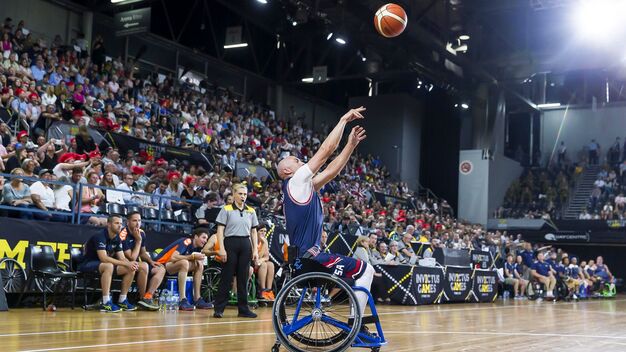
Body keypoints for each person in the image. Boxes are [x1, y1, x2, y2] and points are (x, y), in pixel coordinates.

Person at [276, 107, 375, 320]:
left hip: (305, 260)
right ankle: (355, 322)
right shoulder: (295, 181)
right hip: (310, 260)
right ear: (287, 171)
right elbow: (325, 152)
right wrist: (343, 119)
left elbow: (332, 171)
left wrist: (350, 145)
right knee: (366, 271)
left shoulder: (304, 187)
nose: (301, 161)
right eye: (296, 160)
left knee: (362, 270)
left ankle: (354, 322)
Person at [213, 183, 260, 319]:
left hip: (245, 243)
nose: (243, 196)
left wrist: (255, 250)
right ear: (233, 194)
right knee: (226, 277)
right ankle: (219, 309)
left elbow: (254, 231)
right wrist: (221, 248)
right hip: (230, 243)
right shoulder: (226, 209)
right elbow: (220, 230)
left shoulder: (251, 211)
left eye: (245, 194)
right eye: (240, 194)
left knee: (243, 278)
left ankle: (243, 309)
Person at [78, 215, 139, 312]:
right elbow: (103, 258)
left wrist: (130, 264)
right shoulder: (100, 236)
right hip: (87, 264)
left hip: (103, 266)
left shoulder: (117, 238)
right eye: (116, 223)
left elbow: (122, 257)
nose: (120, 226)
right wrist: (126, 263)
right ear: (109, 224)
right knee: (109, 266)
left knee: (131, 268)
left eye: (120, 223)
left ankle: (122, 300)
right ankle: (106, 302)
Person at [119, 211, 167, 310]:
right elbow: (131, 257)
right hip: (124, 264)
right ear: (127, 222)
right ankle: (142, 299)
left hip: (137, 264)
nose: (137, 223)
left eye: (139, 220)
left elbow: (142, 253)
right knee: (143, 266)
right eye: (134, 220)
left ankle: (148, 296)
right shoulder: (123, 234)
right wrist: (138, 241)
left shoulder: (141, 233)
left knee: (160, 269)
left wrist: (151, 261)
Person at [154, 228, 209, 310]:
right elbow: (173, 257)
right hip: (162, 265)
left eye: (206, 239)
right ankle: (182, 300)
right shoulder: (187, 241)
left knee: (199, 264)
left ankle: (197, 298)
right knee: (184, 263)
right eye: (203, 237)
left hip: (173, 267)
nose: (205, 241)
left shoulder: (196, 248)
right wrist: (192, 257)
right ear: (196, 237)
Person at [255, 223, 275, 301]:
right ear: (256, 232)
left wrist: (261, 260)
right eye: (261, 231)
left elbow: (266, 257)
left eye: (265, 231)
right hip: (252, 263)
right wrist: (263, 243)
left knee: (270, 264)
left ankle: (268, 290)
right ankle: (262, 290)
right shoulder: (253, 240)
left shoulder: (264, 240)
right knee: (264, 265)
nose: (263, 233)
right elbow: (257, 257)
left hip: (259, 263)